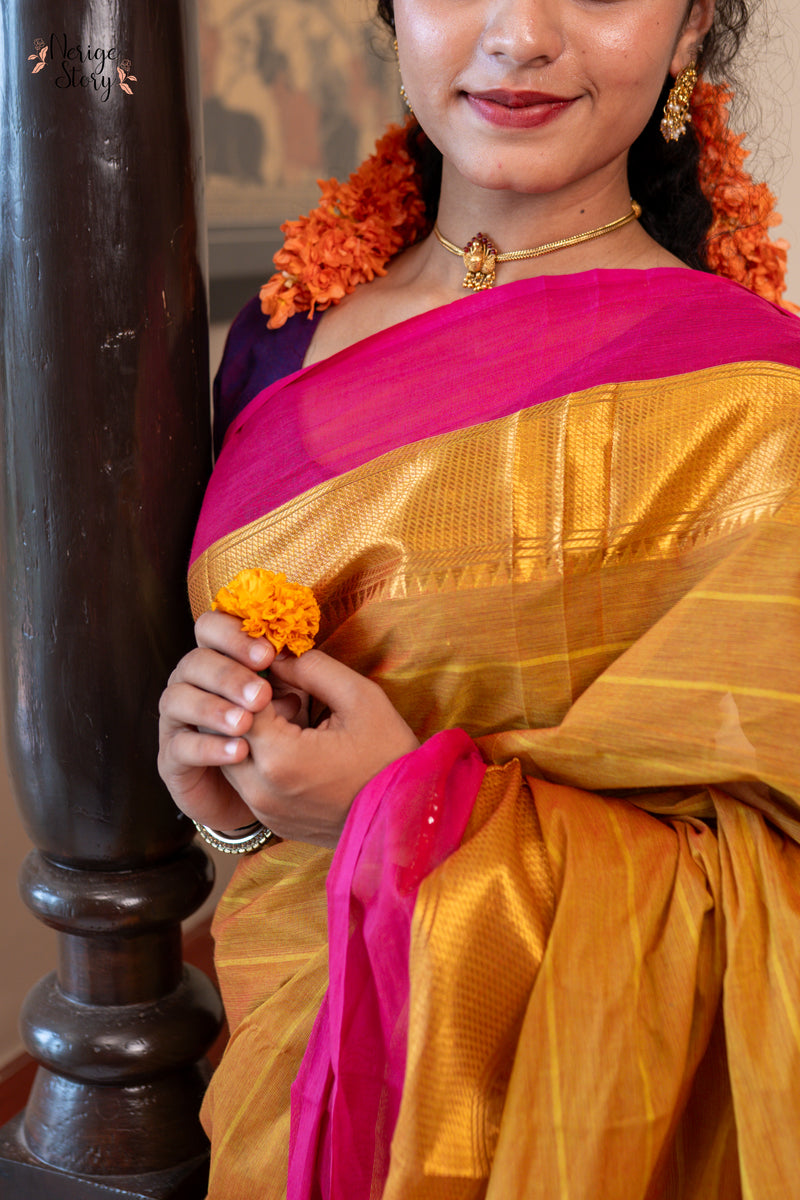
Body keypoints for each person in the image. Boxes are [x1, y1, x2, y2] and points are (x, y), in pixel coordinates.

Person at [158, 0, 800, 1192]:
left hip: (592, 1105)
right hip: (306, 1069)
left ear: (691, 26)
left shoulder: (757, 404)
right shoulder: (274, 347)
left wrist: (408, 815)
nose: (519, 35)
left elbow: (774, 882)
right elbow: (279, 817)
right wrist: (230, 799)